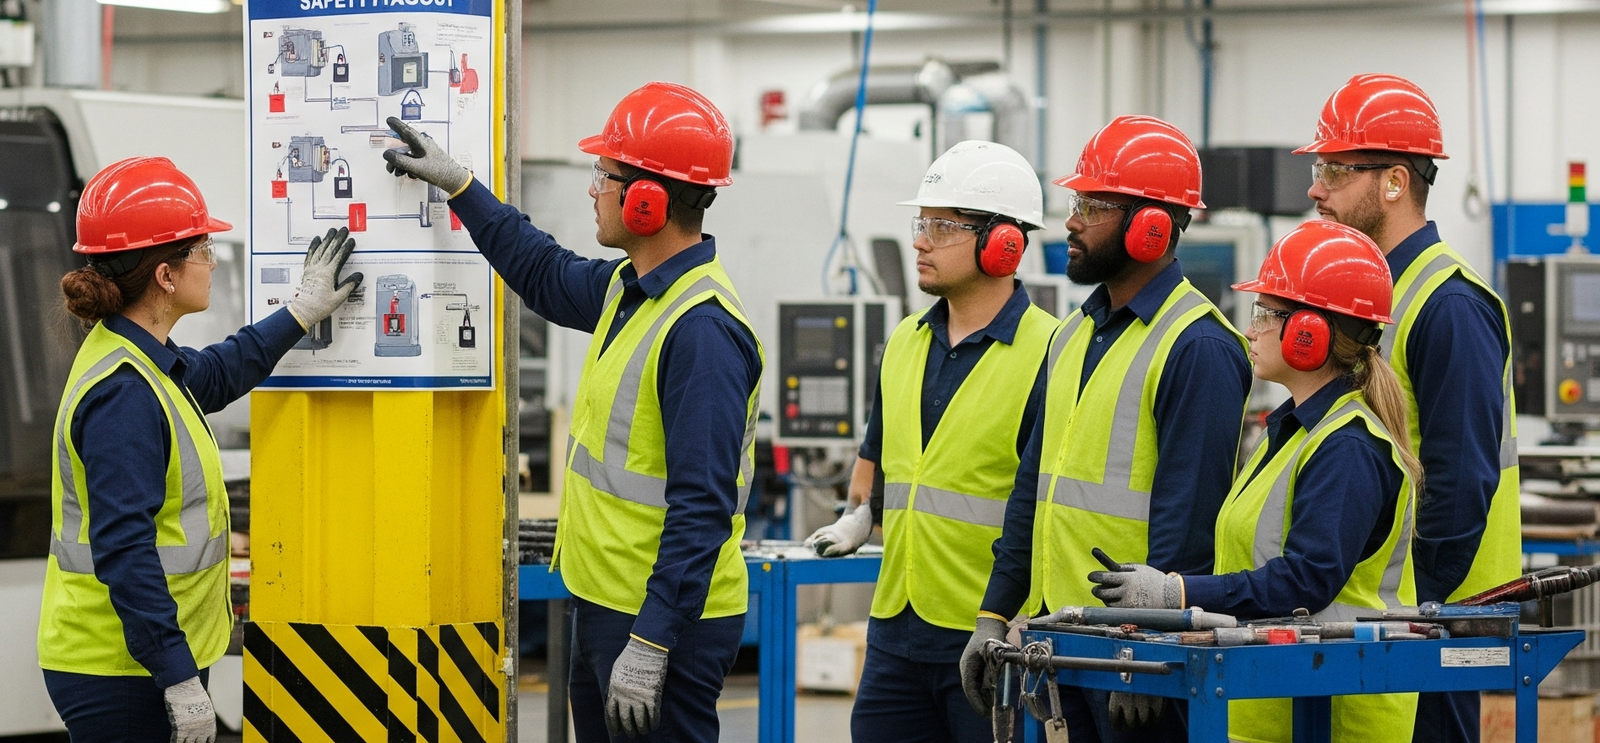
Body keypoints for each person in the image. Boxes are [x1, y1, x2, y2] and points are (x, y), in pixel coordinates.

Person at [381, 82, 762, 742]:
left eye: (604, 175)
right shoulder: (630, 291)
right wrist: (462, 185)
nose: (594, 189)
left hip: (658, 623)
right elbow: (542, 269)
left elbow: (701, 506)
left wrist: (651, 639)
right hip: (605, 603)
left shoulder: (701, 331)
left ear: (648, 200)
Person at [41, 156, 360, 742]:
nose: (211, 262)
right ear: (166, 275)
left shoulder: (140, 357)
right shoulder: (124, 395)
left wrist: (299, 313)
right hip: (122, 667)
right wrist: (177, 677)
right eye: (204, 250)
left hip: (142, 659)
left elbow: (214, 374)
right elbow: (125, 549)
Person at [961, 115, 1251, 741]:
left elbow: (1190, 524)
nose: (1069, 221)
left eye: (1091, 205)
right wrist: (993, 615)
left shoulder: (1199, 346)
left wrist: (1147, 655)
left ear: (1150, 227)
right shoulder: (1072, 334)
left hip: (1135, 669)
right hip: (1063, 649)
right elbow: (1032, 492)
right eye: (1075, 202)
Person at [1089, 219, 1421, 743]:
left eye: (1267, 314)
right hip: (1272, 705)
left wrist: (1176, 592)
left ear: (1310, 332)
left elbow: (1304, 582)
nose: (1251, 329)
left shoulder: (1349, 447)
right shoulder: (1289, 434)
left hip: (1334, 715)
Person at [802, 140, 1055, 743]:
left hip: (992, 633)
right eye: (922, 222)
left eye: (942, 226)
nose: (920, 240)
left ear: (1004, 243)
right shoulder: (905, 342)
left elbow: (1043, 503)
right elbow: (882, 465)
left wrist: (1007, 621)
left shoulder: (1053, 352)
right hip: (895, 626)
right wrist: (860, 517)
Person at [1298, 73, 1519, 741]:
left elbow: (1460, 483)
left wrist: (1418, 613)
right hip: (1385, 619)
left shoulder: (1446, 303)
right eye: (1318, 167)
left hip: (1438, 624)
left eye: (1335, 169)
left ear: (1394, 181)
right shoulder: (1373, 296)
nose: (1316, 188)